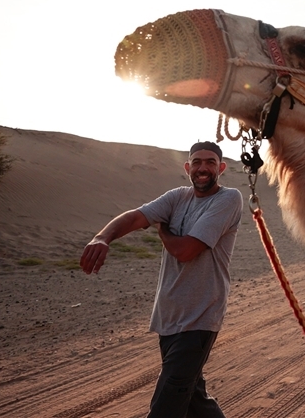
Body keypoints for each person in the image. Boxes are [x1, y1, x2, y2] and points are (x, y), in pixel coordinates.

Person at [80, 142, 244, 418]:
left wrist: (162, 230)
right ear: (187, 167)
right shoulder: (177, 197)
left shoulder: (228, 199)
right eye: (197, 162)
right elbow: (136, 216)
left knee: (165, 408)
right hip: (168, 320)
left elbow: (185, 251)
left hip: (199, 319)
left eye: (211, 162)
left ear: (222, 168)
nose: (203, 168)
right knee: (194, 399)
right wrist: (102, 237)